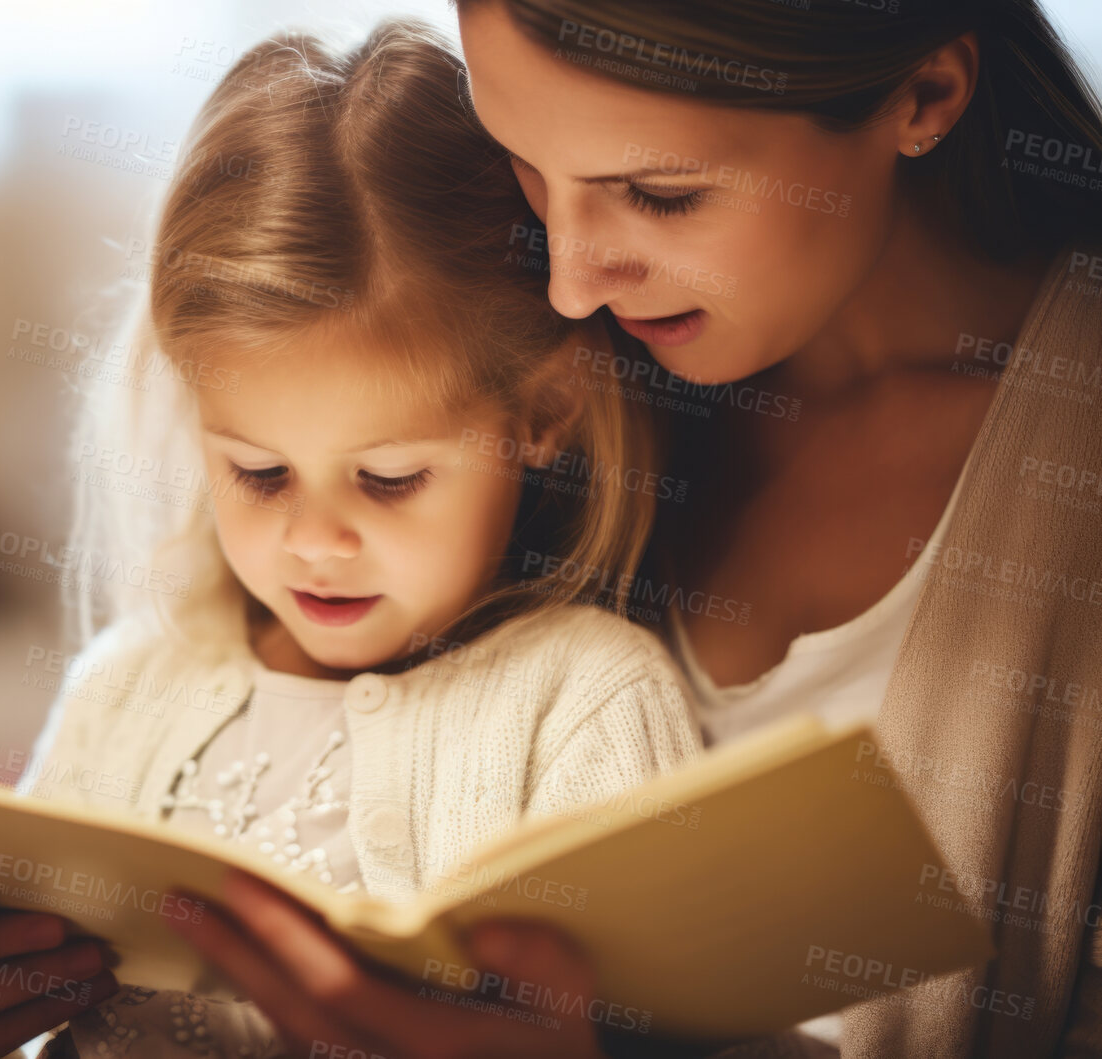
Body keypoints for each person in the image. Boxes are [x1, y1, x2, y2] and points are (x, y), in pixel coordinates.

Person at [168, 1, 1102, 1057]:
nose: (569, 278)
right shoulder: (508, 374)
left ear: (923, 95)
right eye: (520, 161)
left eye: (660, 195)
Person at [0, 20, 706, 1059]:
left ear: (542, 414)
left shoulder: (584, 706)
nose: (316, 542)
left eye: (388, 479)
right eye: (258, 473)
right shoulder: (128, 688)